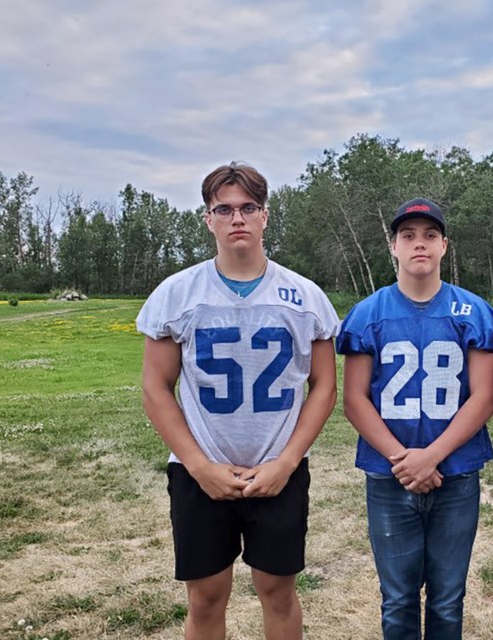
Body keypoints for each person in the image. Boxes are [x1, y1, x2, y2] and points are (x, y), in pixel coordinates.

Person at [137, 162, 338, 640]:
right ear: (208, 219)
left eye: (248, 207)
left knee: (279, 591)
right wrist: (199, 465)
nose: (237, 218)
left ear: (266, 215)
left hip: (279, 469)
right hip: (199, 470)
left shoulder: (305, 296)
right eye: (223, 209)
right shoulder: (177, 293)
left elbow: (324, 386)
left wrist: (287, 462)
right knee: (205, 597)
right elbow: (155, 387)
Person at [337, 197, 493, 639]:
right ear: (393, 246)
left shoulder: (473, 312)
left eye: (430, 235)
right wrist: (402, 459)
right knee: (398, 600)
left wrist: (432, 456)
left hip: (456, 473)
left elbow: (484, 397)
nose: (419, 245)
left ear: (445, 245)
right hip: (390, 476)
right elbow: (354, 399)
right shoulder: (369, 313)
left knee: (448, 598)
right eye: (408, 236)